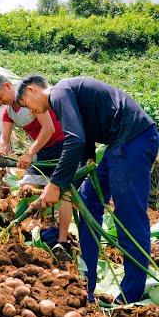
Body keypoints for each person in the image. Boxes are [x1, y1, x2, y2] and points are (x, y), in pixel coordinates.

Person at [17, 75, 158, 304]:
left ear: (32, 91)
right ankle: (87, 285)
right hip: (118, 143)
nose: (31, 112)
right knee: (88, 199)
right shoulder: (65, 94)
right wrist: (89, 162)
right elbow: (86, 131)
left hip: (133, 139)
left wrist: (55, 185)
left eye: (26, 105)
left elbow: (75, 140)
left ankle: (130, 296)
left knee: (129, 216)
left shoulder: (59, 93)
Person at [0, 73, 73, 261]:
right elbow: (4, 138)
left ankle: (62, 242)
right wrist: (1, 155)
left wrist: (30, 153)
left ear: (8, 86)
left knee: (65, 193)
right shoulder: (9, 111)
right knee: (26, 188)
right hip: (44, 152)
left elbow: (48, 129)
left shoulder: (30, 100)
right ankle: (20, 229)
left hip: (63, 147)